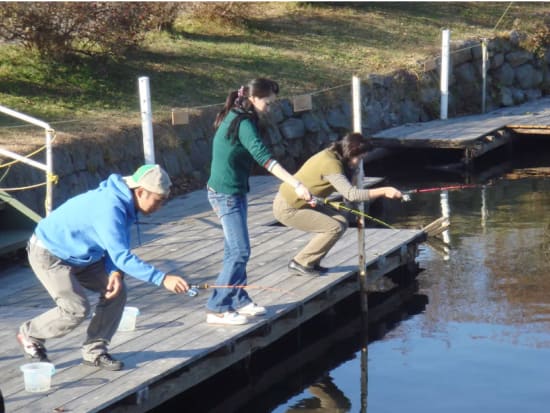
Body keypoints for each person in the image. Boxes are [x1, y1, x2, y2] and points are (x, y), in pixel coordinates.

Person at [16, 164, 190, 371]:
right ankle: (31, 334)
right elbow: (123, 256)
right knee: (76, 308)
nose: (160, 206)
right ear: (141, 191)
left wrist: (113, 271)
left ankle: (94, 351)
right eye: (158, 200)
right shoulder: (110, 207)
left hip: (84, 255)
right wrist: (163, 279)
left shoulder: (127, 202)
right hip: (50, 253)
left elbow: (116, 245)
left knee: (116, 292)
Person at [206, 78, 312, 326]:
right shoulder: (242, 122)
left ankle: (239, 298)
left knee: (234, 250)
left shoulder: (240, 115)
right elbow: (264, 158)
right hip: (225, 194)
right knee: (240, 250)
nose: (270, 106)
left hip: (234, 191)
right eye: (268, 101)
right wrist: (296, 184)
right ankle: (217, 308)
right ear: (253, 98)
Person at [273, 132, 402, 276]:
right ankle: (300, 262)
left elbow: (347, 186)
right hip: (288, 207)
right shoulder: (331, 164)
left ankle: (313, 261)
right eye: (359, 158)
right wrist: (384, 191)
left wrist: (354, 173)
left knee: (341, 221)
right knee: (333, 228)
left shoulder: (333, 154)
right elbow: (351, 194)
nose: (359, 162)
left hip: (303, 202)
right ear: (351, 153)